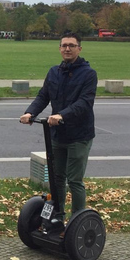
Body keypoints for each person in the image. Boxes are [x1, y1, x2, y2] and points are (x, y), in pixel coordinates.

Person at [19, 32, 97, 219]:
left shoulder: (88, 74)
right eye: (64, 45)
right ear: (60, 48)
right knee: (57, 179)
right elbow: (43, 96)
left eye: (71, 45)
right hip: (57, 134)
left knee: (75, 181)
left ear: (79, 48)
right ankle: (57, 216)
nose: (67, 49)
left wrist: (62, 115)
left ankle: (77, 222)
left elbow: (84, 103)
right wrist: (31, 113)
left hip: (79, 135)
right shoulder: (54, 72)